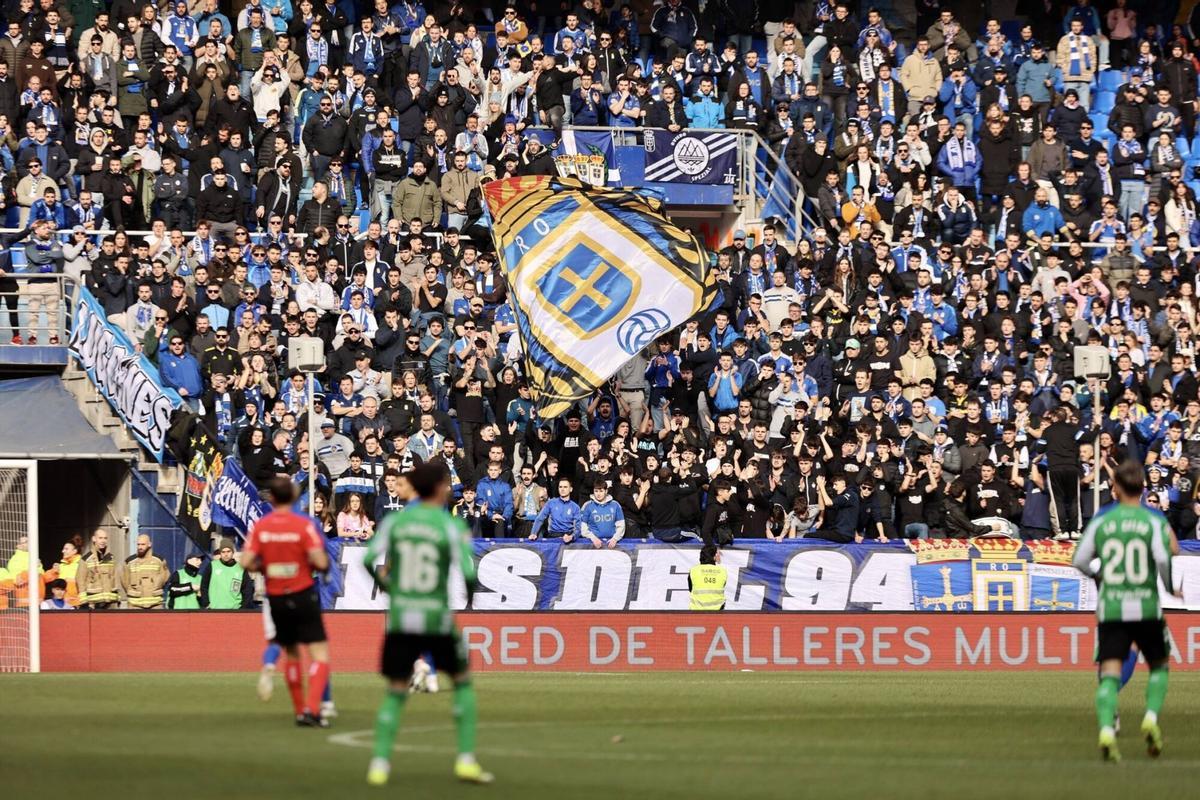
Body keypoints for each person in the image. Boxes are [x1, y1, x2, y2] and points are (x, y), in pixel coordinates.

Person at [363, 463, 493, 786]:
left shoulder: (395, 522)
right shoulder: (447, 525)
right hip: (437, 618)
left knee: (395, 691)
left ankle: (379, 764)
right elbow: (467, 572)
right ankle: (465, 760)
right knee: (462, 682)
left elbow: (367, 560)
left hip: (401, 618)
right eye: (446, 485)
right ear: (436, 488)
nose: (448, 489)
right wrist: (471, 596)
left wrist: (392, 589)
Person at [1072, 461, 1178, 762]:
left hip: (1112, 603)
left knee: (1108, 670)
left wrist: (1100, 574)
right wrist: (1170, 587)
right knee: (1158, 664)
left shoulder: (1103, 518)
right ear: (1144, 487)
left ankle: (1108, 725)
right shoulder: (1153, 518)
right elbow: (1168, 551)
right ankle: (1151, 718)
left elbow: (1079, 559)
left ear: (1115, 487)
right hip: (1145, 602)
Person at [241, 478, 332, 728]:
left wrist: (267, 566)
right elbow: (320, 561)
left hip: (276, 596)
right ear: (292, 498)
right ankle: (314, 709)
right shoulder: (303, 525)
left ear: (272, 499)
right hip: (302, 592)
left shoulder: (262, 526)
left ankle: (300, 710)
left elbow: (246, 561)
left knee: (291, 652)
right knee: (319, 653)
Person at [120, 533, 169, 609]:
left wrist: (157, 587)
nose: (140, 547)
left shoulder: (159, 561)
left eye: (143, 544)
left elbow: (165, 577)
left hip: (155, 604)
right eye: (138, 544)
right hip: (135, 604)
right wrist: (132, 592)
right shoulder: (129, 562)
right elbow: (124, 580)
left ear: (149, 544)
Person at [688, 544, 727, 610]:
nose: (719, 556)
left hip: (695, 612)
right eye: (717, 554)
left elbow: (691, 589)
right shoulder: (722, 571)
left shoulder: (693, 570)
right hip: (717, 612)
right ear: (714, 557)